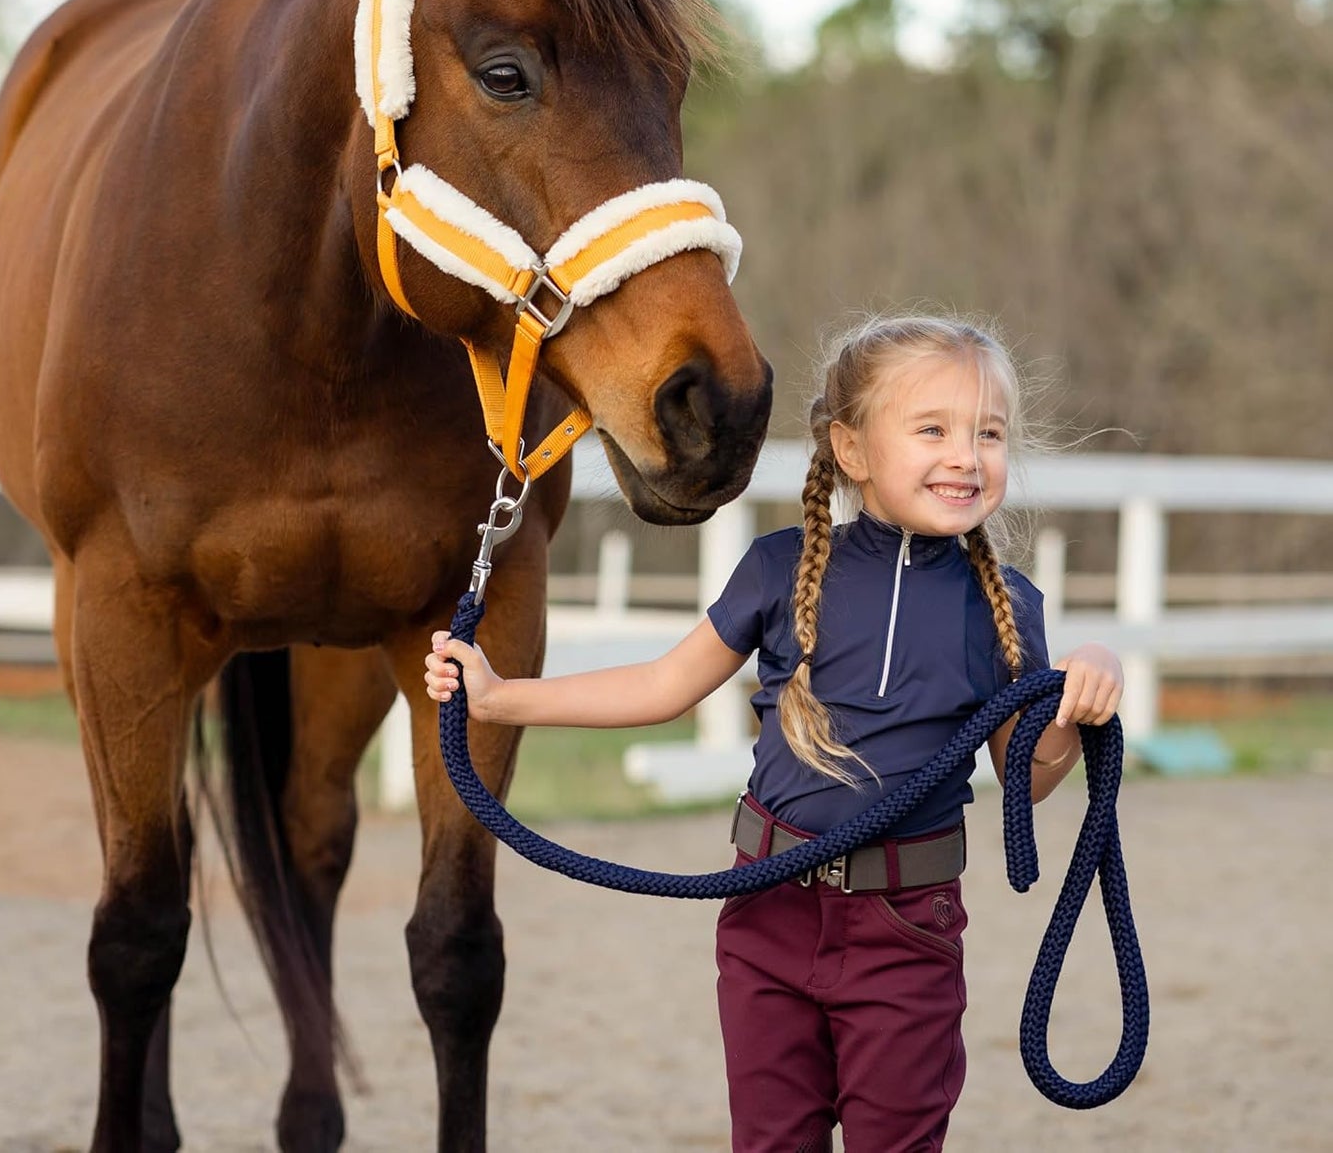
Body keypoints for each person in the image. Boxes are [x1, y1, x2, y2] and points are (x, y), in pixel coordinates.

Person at [424, 312, 1124, 1153]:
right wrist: (501, 698)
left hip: (906, 928)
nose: (965, 456)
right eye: (932, 430)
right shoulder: (777, 567)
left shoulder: (1005, 606)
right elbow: (661, 685)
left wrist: (1077, 703)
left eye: (988, 433)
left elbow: (1028, 778)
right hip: (767, 911)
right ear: (852, 448)